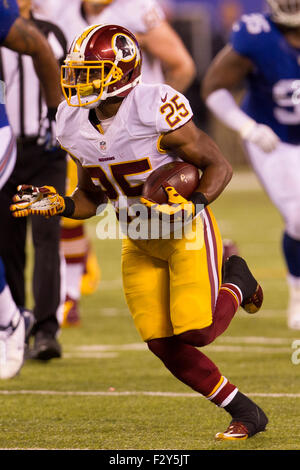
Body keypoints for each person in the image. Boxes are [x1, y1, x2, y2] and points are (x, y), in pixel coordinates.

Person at [10, 23, 268, 440]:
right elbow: (93, 197)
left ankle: (237, 277)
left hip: (183, 232)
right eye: (78, 71)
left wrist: (195, 203)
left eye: (92, 71)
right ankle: (246, 412)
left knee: (196, 331)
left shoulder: (154, 106)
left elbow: (218, 164)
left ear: (123, 73)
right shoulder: (71, 123)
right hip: (137, 238)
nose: (80, 81)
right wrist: (61, 203)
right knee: (161, 342)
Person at [36, 0, 197, 327]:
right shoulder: (62, 11)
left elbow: (182, 65)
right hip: (92, 125)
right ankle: (71, 293)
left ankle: (217, 255)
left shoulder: (136, 9)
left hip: (143, 139)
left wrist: (151, 120)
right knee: (79, 197)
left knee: (162, 211)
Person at [202, 0, 300, 330]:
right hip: (275, 138)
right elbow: (214, 88)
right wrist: (248, 128)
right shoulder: (257, 35)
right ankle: (298, 293)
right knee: (299, 220)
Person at [0, 0, 67, 360]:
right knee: (8, 243)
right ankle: (16, 323)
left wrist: (62, 124)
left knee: (46, 239)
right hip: (8, 151)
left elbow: (72, 84)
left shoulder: (52, 34)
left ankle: (46, 330)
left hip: (46, 154)